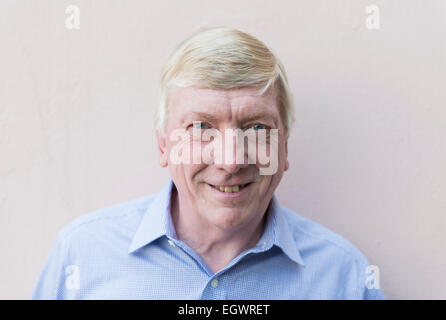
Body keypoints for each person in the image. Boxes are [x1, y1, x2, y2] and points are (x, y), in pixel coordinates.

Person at [32, 26, 385, 299]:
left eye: (257, 127)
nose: (231, 160)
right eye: (201, 127)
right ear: (162, 144)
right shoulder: (81, 254)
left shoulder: (343, 275)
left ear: (284, 148)